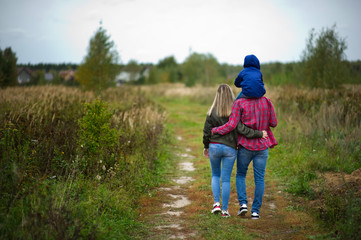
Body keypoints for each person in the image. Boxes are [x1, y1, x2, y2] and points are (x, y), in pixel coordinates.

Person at [203, 84, 267, 218]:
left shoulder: (211, 112)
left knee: (215, 175)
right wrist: (258, 134)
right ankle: (225, 211)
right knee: (226, 179)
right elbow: (242, 129)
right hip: (230, 149)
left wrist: (206, 146)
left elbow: (206, 132)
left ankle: (216, 204)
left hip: (214, 146)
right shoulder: (235, 111)